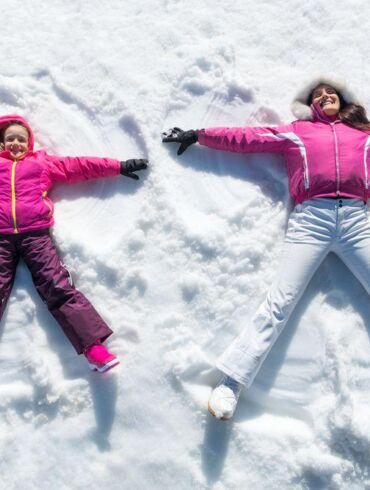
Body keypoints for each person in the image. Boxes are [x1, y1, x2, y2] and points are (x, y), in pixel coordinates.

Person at [162, 78, 370, 419]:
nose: (325, 95)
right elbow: (247, 139)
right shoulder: (298, 132)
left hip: (357, 222)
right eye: (318, 94)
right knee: (280, 302)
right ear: (312, 106)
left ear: (343, 99)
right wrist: (199, 134)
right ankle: (231, 382)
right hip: (311, 221)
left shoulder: (363, 136)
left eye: (330, 92)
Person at [0, 114, 147, 373]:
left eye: (21, 139)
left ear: (29, 143)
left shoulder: (40, 164)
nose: (15, 143)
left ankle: (94, 348)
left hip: (36, 236)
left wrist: (118, 166)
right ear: (1, 143)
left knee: (56, 286)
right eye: (10, 138)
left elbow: (77, 166)